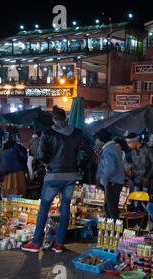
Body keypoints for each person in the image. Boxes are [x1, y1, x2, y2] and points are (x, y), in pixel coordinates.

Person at [22, 106, 92, 254]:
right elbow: (88, 152)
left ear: (53, 119)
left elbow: (40, 156)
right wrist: (79, 166)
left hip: (53, 175)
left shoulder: (47, 133)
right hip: (71, 176)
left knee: (44, 209)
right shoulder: (77, 133)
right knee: (65, 209)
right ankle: (59, 245)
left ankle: (35, 244)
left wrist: (49, 163)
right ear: (65, 118)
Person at [95, 129, 125, 220]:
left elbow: (109, 167)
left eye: (98, 140)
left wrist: (103, 180)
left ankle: (114, 230)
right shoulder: (113, 148)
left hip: (112, 182)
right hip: (115, 182)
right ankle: (113, 229)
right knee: (111, 208)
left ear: (102, 140)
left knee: (111, 209)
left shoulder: (108, 150)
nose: (97, 142)